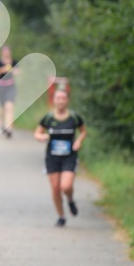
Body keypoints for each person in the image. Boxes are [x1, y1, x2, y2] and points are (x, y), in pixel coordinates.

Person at [34, 89, 87, 227]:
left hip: (69, 156)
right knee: (56, 188)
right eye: (58, 98)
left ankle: (70, 199)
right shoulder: (48, 118)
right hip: (52, 157)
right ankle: (61, 216)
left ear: (67, 100)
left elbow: (83, 131)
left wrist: (78, 141)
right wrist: (42, 136)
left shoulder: (74, 117)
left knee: (66, 186)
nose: (61, 101)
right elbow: (37, 133)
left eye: (63, 98)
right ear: (54, 100)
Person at [0, 45, 19, 138]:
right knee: (3, 107)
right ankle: (2, 123)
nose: (6, 53)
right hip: (1, 87)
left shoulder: (14, 62)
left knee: (9, 106)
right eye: (5, 51)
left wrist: (14, 71)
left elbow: (19, 72)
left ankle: (9, 128)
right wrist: (2, 70)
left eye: (8, 51)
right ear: (2, 52)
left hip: (11, 86)